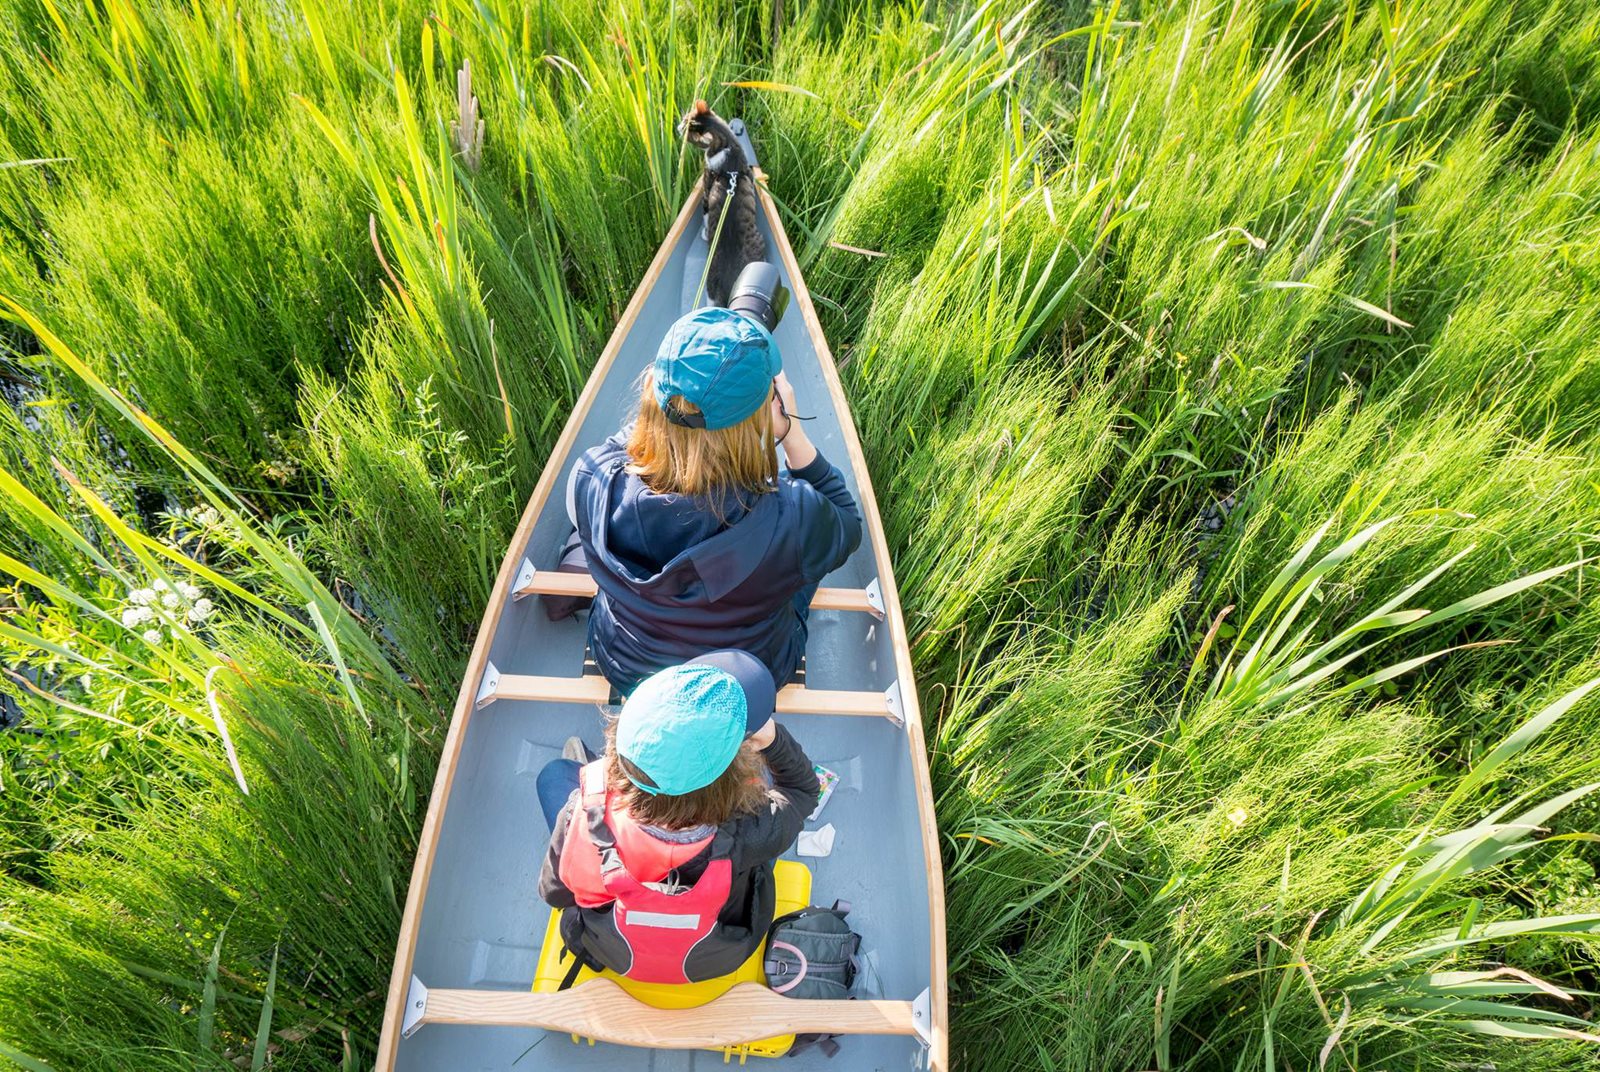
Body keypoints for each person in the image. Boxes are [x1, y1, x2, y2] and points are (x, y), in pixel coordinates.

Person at [560, 306, 863, 694]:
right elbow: (846, 521)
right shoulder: (793, 514)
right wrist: (789, 433)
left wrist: (662, 420)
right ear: (761, 415)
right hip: (746, 677)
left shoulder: (594, 477)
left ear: (652, 392)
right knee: (811, 547)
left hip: (623, 663)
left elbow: (622, 448)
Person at [536, 650, 820, 984]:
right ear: (732, 779)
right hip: (714, 956)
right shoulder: (753, 828)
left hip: (615, 952)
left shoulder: (582, 813)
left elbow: (554, 893)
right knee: (764, 841)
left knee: (555, 775)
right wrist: (773, 741)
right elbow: (802, 791)